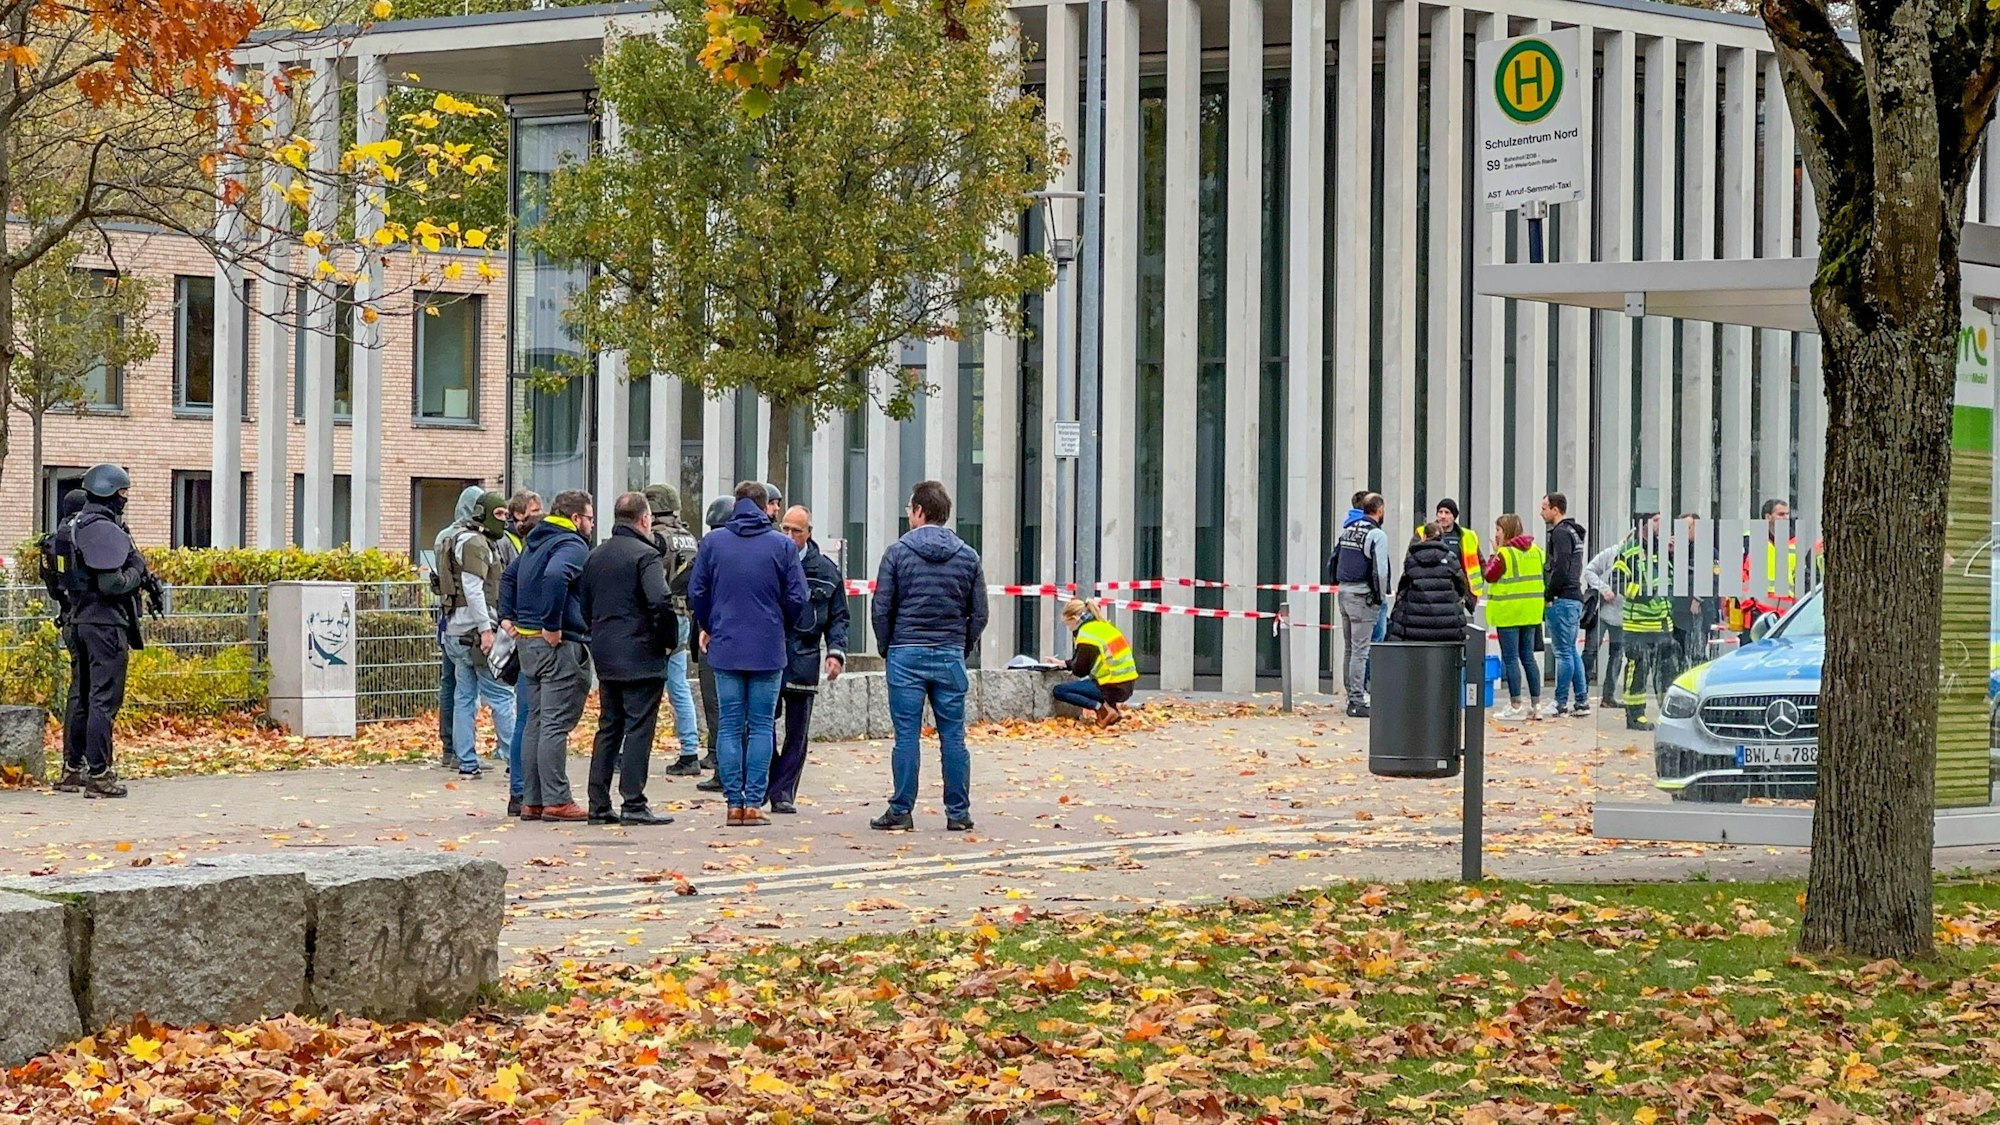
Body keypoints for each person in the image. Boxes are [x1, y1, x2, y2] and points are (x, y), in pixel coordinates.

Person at [869, 480, 989, 833]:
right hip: (949, 653)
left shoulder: (897, 553)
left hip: (905, 652)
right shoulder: (967, 555)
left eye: (910, 509)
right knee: (953, 736)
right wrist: (961, 645)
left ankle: (901, 810)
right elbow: (979, 612)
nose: (908, 514)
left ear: (920, 511)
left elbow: (881, 608)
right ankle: (958, 812)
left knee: (906, 735)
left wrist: (887, 646)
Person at [687, 481, 808, 827]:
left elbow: (698, 591)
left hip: (725, 646)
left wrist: (709, 624)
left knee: (728, 726)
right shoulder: (782, 546)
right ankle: (754, 803)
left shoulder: (713, 543)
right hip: (768, 647)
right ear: (764, 505)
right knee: (760, 726)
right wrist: (780, 623)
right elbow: (798, 597)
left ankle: (732, 803)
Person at [49, 464, 160, 799]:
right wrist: (136, 571)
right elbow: (111, 583)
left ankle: (73, 769)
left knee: (81, 696)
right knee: (103, 699)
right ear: (111, 493)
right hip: (104, 624)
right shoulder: (102, 529)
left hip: (78, 621)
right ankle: (99, 775)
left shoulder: (74, 525)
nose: (125, 499)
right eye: (123, 493)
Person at [579, 492, 676, 827]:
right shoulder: (646, 557)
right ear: (645, 520)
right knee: (638, 728)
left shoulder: (595, 556)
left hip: (606, 653)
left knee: (609, 727)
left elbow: (584, 606)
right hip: (641, 654)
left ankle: (598, 803)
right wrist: (666, 641)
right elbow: (660, 601)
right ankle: (633, 802)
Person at [507, 488, 595, 822]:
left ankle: (532, 800)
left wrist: (509, 615)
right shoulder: (570, 544)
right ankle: (557, 799)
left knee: (536, 721)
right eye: (588, 518)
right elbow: (557, 576)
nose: (590, 524)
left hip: (527, 644)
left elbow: (510, 577)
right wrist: (552, 623)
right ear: (575, 518)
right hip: (557, 645)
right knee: (555, 724)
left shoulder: (535, 540)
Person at [769, 505, 849, 814]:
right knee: (761, 725)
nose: (789, 536)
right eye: (785, 529)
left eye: (796, 531)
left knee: (797, 731)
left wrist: (835, 653)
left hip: (803, 656)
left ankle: (784, 792)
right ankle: (771, 782)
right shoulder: (770, 562)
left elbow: (839, 617)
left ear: (809, 533)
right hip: (770, 658)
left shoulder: (825, 571)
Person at [439, 489, 517, 779]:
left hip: (456, 631)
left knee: (464, 696)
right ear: (482, 514)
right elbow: (473, 589)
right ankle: (515, 759)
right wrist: (486, 630)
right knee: (501, 696)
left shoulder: (457, 538)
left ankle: (466, 761)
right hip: (475, 632)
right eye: (498, 515)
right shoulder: (475, 543)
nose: (503, 521)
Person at [645, 483, 704, 778]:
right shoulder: (688, 537)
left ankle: (633, 748)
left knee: (645, 686)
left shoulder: (656, 538)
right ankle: (690, 751)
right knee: (679, 685)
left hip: (660, 616)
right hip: (684, 616)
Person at [39, 488, 88, 792]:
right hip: (88, 619)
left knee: (79, 688)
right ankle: (78, 764)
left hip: (68, 617)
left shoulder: (53, 542)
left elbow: (53, 586)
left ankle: (73, 762)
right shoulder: (81, 538)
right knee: (88, 692)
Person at [497, 489, 541, 817]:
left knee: (526, 716)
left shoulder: (523, 550)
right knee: (528, 716)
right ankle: (522, 790)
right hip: (532, 642)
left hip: (524, 638)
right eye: (533, 511)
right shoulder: (518, 548)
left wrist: (506, 616)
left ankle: (521, 790)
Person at [1614, 512, 1679, 731]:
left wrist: (1672, 556)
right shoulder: (1629, 550)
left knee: (1667, 671)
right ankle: (1635, 716)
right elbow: (1618, 582)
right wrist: (1644, 592)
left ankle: (1669, 715)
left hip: (1663, 623)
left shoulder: (1663, 551)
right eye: (1657, 520)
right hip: (1638, 625)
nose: (1662, 525)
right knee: (1638, 671)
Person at [1330, 492, 1391, 718]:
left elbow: (1334, 560)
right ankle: (1357, 699)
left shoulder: (1349, 530)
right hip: (1362, 595)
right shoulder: (1376, 534)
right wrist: (1380, 597)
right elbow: (1380, 571)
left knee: (1349, 648)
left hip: (1344, 592)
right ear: (1380, 509)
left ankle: (1351, 696)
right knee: (1361, 651)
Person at [1483, 512, 1548, 720]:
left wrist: (1495, 553)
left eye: (1499, 530)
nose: (1497, 534)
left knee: (1511, 658)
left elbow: (1489, 575)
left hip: (1509, 612)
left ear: (1507, 531)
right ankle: (1536, 705)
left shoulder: (1505, 554)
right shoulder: (1537, 551)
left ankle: (1516, 704)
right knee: (1528, 657)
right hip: (1531, 612)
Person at [693, 494, 734, 794]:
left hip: (714, 636)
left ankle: (722, 768)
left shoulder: (710, 549)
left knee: (717, 707)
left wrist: (704, 626)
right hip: (741, 639)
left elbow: (699, 592)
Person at [1051, 598, 1138, 726]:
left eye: (1068, 624)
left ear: (1074, 619)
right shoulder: (1103, 627)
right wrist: (1065, 663)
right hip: (1127, 684)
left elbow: (1080, 671)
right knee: (1093, 683)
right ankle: (1112, 710)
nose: (1069, 629)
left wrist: (1072, 665)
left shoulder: (1087, 635)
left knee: (1059, 691)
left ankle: (1103, 709)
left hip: (1110, 686)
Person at [1540, 493, 1589, 717]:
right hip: (1574, 597)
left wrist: (1549, 594)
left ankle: (1560, 702)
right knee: (1571, 651)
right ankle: (1581, 700)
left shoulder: (1559, 533)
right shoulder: (1573, 532)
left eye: (1544, 508)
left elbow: (1560, 566)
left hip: (1563, 598)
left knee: (1562, 653)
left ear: (1556, 509)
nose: (1542, 513)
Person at [1727, 498, 1801, 643]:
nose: (1786, 518)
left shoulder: (1793, 542)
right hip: (1756, 615)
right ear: (1768, 517)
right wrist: (1748, 605)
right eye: (1781, 514)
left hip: (1785, 617)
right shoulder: (1750, 540)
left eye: (1787, 514)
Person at [1385, 522, 1473, 641]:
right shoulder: (1451, 558)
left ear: (1424, 537)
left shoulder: (1412, 559)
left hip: (1414, 626)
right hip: (1447, 626)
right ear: (1441, 538)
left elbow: (1403, 589)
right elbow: (1462, 586)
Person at [1583, 542, 1625, 709]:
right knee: (1590, 651)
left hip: (1624, 614)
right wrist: (1604, 589)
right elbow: (1589, 571)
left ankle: (1608, 697)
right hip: (1603, 611)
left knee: (1617, 655)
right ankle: (1582, 694)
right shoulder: (1612, 552)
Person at [1425, 499, 1484, 603]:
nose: (1443, 516)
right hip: (1431, 592)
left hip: (1460, 595)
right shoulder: (1423, 532)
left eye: (1447, 513)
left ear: (1454, 516)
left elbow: (1481, 563)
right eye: (1440, 512)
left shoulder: (1467, 536)